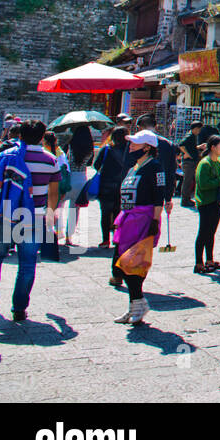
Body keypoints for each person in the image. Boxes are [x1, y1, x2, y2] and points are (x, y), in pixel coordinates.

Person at [0, 120, 60, 322]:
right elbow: (54, 193)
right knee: (27, 264)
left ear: (19, 135)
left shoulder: (6, 157)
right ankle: (19, 308)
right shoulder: (51, 160)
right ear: (43, 137)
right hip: (34, 217)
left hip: (6, 214)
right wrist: (50, 217)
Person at [110, 130, 166, 324]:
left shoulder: (155, 167)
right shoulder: (134, 167)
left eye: (135, 144)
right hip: (127, 218)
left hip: (143, 219)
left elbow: (159, 195)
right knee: (122, 262)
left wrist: (155, 221)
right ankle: (135, 304)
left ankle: (138, 303)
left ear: (147, 147)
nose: (131, 147)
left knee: (132, 262)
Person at [193, 135, 220, 274]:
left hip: (216, 201)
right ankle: (198, 262)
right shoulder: (205, 163)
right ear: (213, 147)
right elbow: (203, 184)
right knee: (203, 232)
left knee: (211, 232)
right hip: (205, 201)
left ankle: (209, 259)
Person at [95, 126, 131, 250]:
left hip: (106, 186)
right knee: (119, 213)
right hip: (122, 186)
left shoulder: (106, 149)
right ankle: (117, 238)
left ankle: (105, 240)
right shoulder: (129, 151)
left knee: (105, 214)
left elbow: (96, 165)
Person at [136, 114, 177, 207]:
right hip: (159, 188)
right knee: (154, 217)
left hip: (138, 187)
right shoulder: (168, 144)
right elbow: (171, 171)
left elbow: (127, 166)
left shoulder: (136, 142)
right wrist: (168, 197)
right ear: (156, 127)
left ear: (139, 128)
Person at [39, 132, 68, 261]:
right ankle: (50, 239)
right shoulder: (60, 153)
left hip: (43, 187)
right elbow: (66, 170)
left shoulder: (43, 153)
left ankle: (42, 239)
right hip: (56, 187)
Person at [178, 120, 204, 210]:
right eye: (199, 129)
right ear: (196, 128)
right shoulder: (190, 136)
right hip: (188, 162)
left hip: (191, 161)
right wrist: (187, 153)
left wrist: (199, 147)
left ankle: (187, 199)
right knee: (187, 181)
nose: (199, 131)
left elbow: (190, 147)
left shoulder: (193, 136)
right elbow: (181, 145)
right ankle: (185, 200)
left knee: (189, 181)